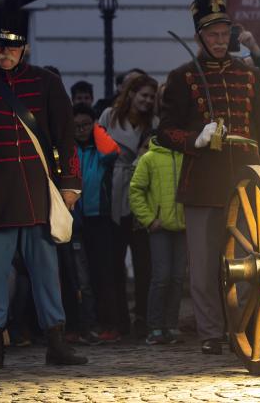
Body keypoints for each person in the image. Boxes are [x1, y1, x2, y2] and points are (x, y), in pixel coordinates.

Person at [0, 2, 87, 368]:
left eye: (10, 46)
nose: (2, 53)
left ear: (25, 47)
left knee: (47, 275)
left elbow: (64, 139)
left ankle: (56, 341)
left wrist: (70, 185)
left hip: (38, 195)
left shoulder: (47, 83)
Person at [157, 0, 260, 355]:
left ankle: (240, 326)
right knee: (207, 265)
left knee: (247, 261)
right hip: (203, 181)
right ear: (200, 36)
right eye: (213, 33)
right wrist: (195, 138)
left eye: (225, 32)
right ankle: (211, 332)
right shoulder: (182, 78)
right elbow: (164, 133)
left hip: (246, 182)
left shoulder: (249, 75)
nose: (220, 39)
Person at [100, 73, 159, 337]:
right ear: (132, 94)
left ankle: (142, 319)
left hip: (142, 197)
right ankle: (119, 320)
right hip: (113, 193)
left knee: (144, 263)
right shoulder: (108, 117)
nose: (147, 101)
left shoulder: (154, 124)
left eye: (151, 97)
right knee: (113, 264)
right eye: (143, 95)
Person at [70, 103, 121, 342]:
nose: (81, 130)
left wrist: (97, 129)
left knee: (103, 274)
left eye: (86, 125)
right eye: (76, 126)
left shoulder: (98, 148)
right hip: (75, 219)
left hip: (100, 218)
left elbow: (112, 152)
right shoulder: (69, 150)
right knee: (80, 277)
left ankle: (106, 324)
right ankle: (82, 324)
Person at [129, 134, 186, 345]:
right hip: (159, 228)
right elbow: (135, 191)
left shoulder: (184, 156)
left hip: (181, 227)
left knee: (178, 278)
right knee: (161, 277)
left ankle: (171, 325)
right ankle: (154, 327)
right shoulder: (149, 158)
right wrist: (149, 219)